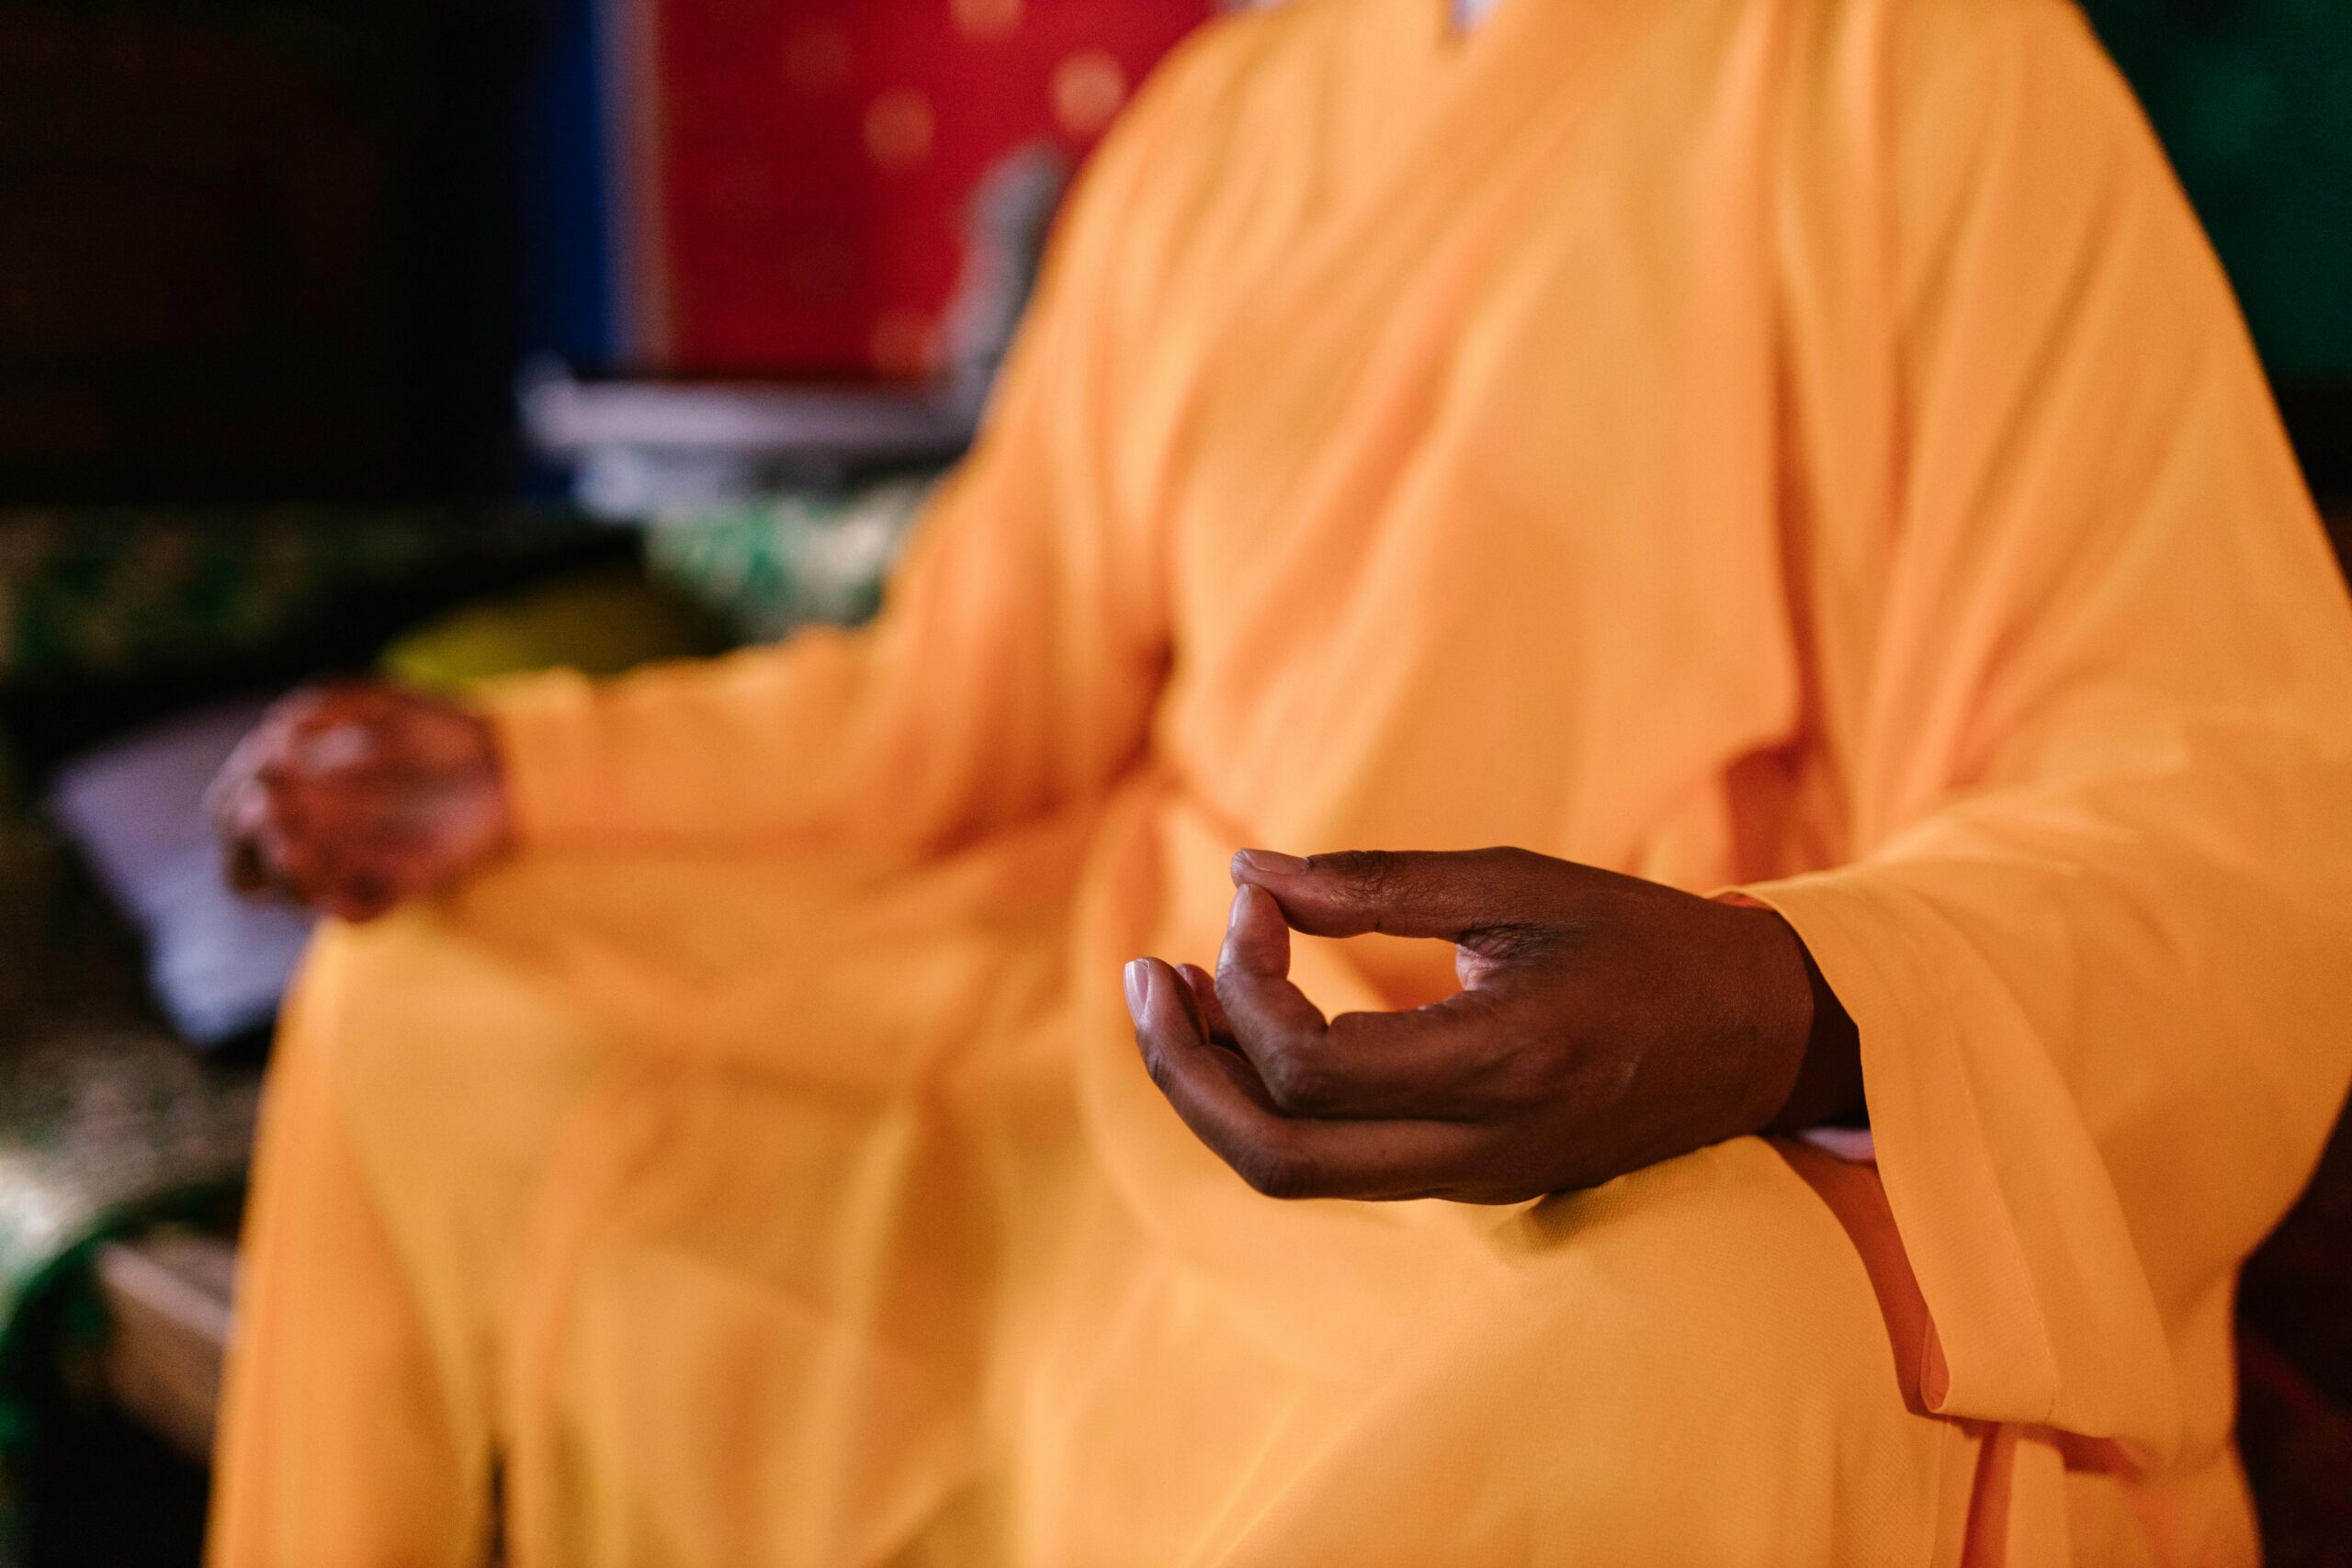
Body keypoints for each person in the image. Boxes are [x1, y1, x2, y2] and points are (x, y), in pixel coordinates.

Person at [204, 0, 2352, 1562]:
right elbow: (964, 691)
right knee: (436, 998)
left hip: (1656, 1125)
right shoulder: (1221, 119)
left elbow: (2219, 788)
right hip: (1145, 1046)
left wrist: (1779, 996)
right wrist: (532, 773)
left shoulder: (1919, 67)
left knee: (1637, 1376)